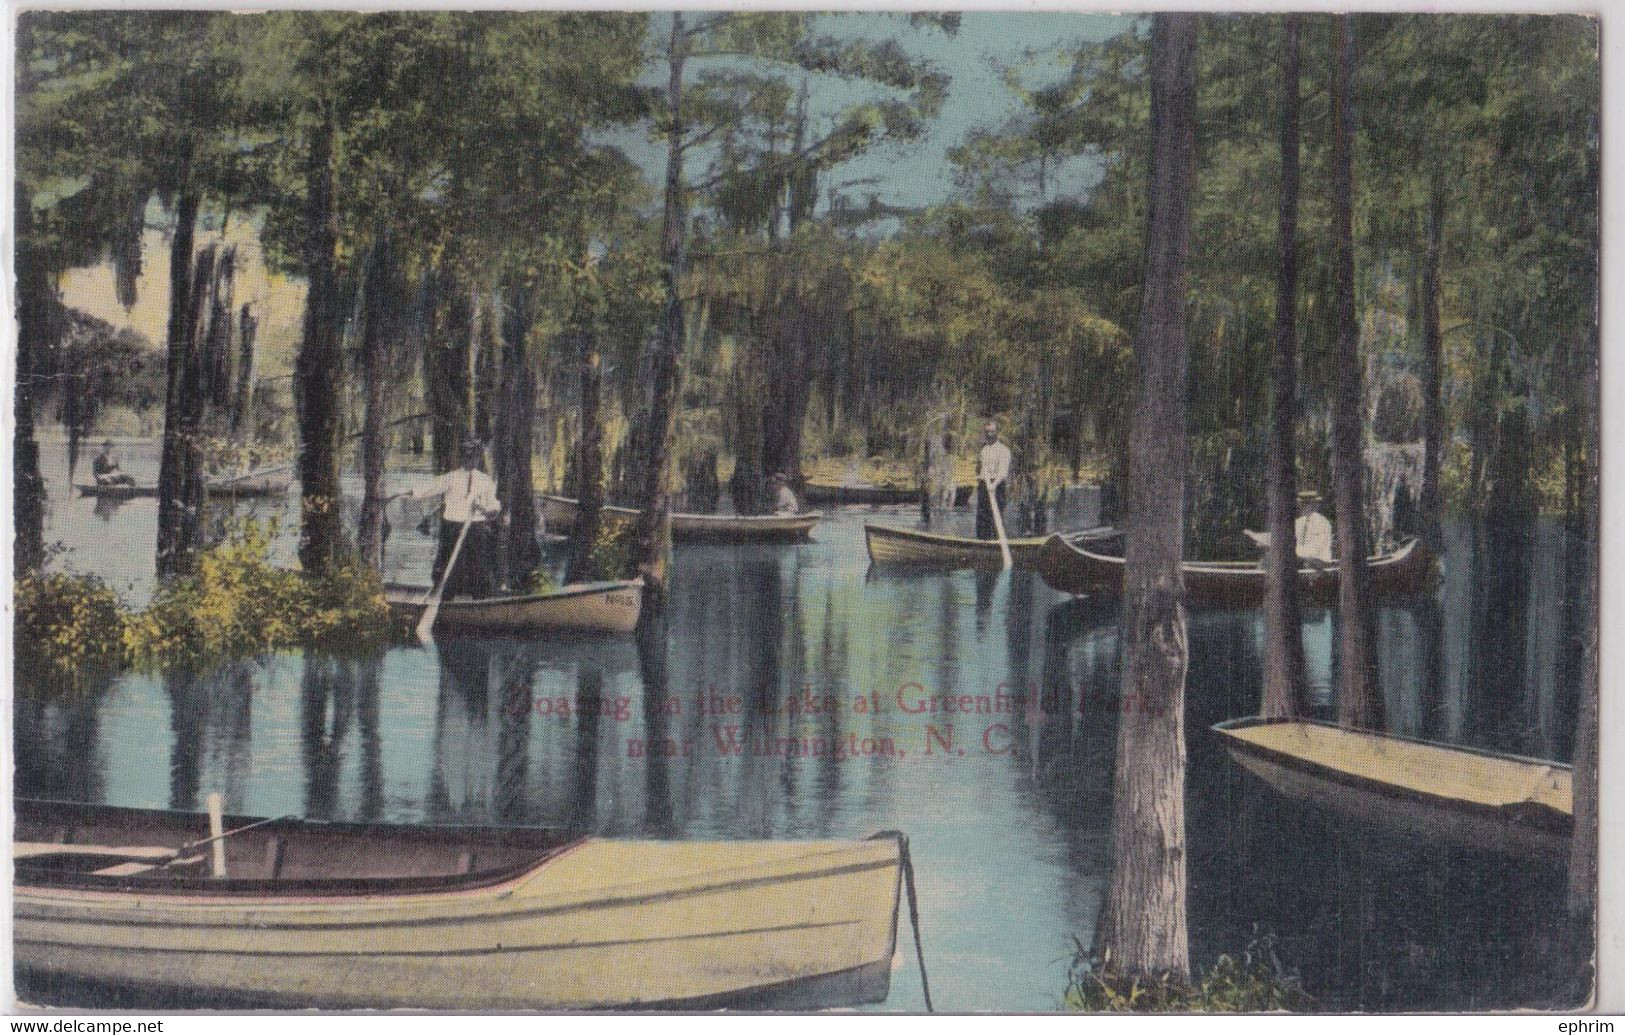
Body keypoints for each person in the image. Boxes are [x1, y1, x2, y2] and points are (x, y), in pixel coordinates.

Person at [401, 435, 503, 599]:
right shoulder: (451, 478)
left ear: (478, 458)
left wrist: (490, 511)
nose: (470, 461)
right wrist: (410, 492)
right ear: (462, 458)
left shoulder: (485, 481)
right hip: (452, 527)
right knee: (448, 564)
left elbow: (493, 505)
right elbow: (430, 487)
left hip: (475, 528)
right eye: (467, 457)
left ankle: (480, 602)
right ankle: (445, 600)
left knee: (478, 566)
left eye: (474, 457)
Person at [1245, 489, 1334, 566]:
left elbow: (1314, 549)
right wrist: (1257, 537)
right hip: (1302, 558)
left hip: (1319, 561)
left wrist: (1289, 551)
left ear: (1315, 505)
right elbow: (1281, 536)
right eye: (1302, 504)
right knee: (1268, 558)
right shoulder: (1299, 522)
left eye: (1308, 503)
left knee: (1280, 560)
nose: (1304, 507)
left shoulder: (1322, 523)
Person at [975, 420, 1011, 540]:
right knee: (982, 516)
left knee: (996, 516)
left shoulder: (1004, 450)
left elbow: (1002, 472)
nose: (989, 434)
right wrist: (984, 480)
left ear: (997, 433)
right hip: (983, 485)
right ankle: (981, 542)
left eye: (992, 432)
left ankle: (995, 543)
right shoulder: (984, 450)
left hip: (997, 485)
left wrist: (993, 485)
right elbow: (982, 469)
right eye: (987, 432)